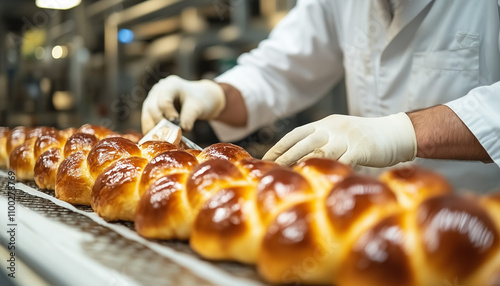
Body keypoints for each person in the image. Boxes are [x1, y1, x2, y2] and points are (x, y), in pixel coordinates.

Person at [141, 0, 500, 192]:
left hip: (479, 226)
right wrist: (213, 93)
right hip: (367, 220)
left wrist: (404, 132)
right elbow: (278, 70)